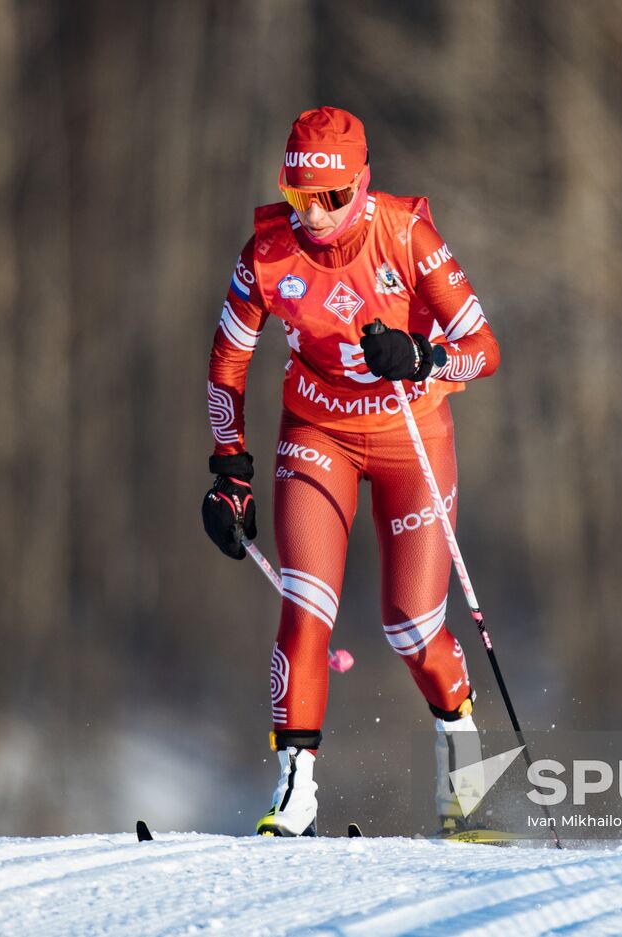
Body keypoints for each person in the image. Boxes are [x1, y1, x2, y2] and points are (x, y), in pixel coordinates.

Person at [201, 106, 500, 836]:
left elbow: (484, 348)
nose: (317, 216)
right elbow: (227, 363)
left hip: (408, 429)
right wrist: (229, 467)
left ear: (362, 186)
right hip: (317, 429)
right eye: (301, 198)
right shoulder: (267, 254)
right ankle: (295, 790)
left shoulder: (405, 234)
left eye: (333, 198)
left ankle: (462, 749)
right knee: (306, 601)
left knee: (411, 625)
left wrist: (423, 356)